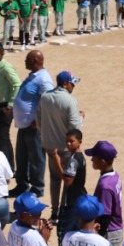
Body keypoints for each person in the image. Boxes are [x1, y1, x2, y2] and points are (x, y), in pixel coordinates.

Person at [38, 69, 83, 212]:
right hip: (66, 147)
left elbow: (39, 120)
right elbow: (75, 127)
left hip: (50, 145)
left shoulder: (45, 97)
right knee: (68, 178)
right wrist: (81, 118)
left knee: (54, 179)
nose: (73, 86)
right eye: (72, 83)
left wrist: (45, 136)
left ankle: (55, 210)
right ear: (65, 84)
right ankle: (65, 210)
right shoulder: (70, 100)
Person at [13, 50, 53, 197]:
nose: (25, 61)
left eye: (27, 59)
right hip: (24, 126)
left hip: (34, 127)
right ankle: (22, 186)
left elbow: (49, 102)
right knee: (21, 158)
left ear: (35, 61)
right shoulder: (33, 76)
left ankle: (37, 189)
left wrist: (37, 121)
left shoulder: (44, 79)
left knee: (36, 159)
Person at [0, 43, 20, 172]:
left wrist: (10, 105)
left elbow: (17, 85)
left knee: (3, 139)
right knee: (1, 139)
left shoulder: (6, 68)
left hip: (5, 107)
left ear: (2, 54)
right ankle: (7, 167)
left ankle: (9, 168)